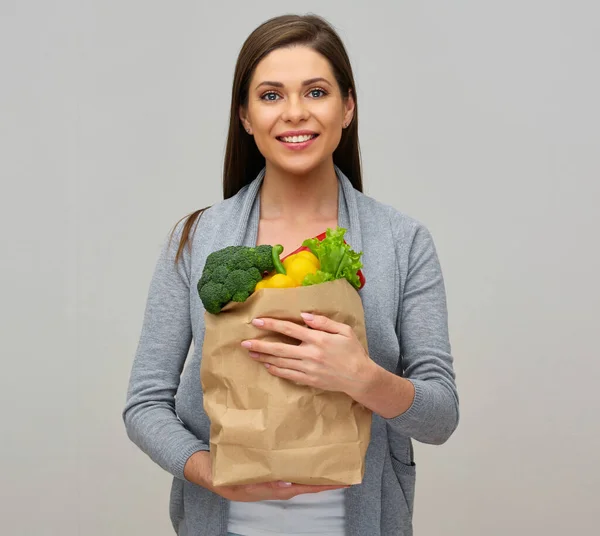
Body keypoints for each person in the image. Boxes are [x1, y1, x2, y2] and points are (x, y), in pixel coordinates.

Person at [123, 13, 459, 536]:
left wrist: (363, 378)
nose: (295, 113)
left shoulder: (402, 241)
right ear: (245, 115)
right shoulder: (195, 240)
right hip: (226, 522)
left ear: (348, 107)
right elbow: (144, 403)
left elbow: (440, 418)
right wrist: (207, 472)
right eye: (272, 95)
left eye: (317, 91)